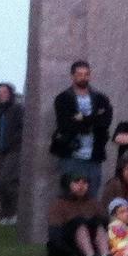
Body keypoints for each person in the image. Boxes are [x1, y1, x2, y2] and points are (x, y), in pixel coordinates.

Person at [51, 60, 113, 193]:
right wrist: (94, 120)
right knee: (69, 195)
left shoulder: (101, 98)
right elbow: (65, 125)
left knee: (92, 195)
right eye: (79, 74)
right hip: (71, 155)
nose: (83, 77)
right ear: (72, 76)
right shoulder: (63, 98)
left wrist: (82, 119)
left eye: (86, 74)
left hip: (94, 155)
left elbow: (105, 123)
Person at [45, 170, 112, 256]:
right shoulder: (58, 204)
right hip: (65, 247)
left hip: (90, 243)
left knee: (97, 222)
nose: (81, 186)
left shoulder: (93, 202)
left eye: (85, 182)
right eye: (76, 182)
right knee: (78, 223)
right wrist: (73, 254)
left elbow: (105, 224)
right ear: (68, 184)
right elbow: (55, 236)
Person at [0, 79, 22, 226]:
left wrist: (14, 141)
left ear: (11, 94)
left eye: (5, 92)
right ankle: (4, 214)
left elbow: (22, 129)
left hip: (14, 150)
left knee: (7, 181)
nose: (1, 95)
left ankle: (14, 212)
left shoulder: (18, 109)